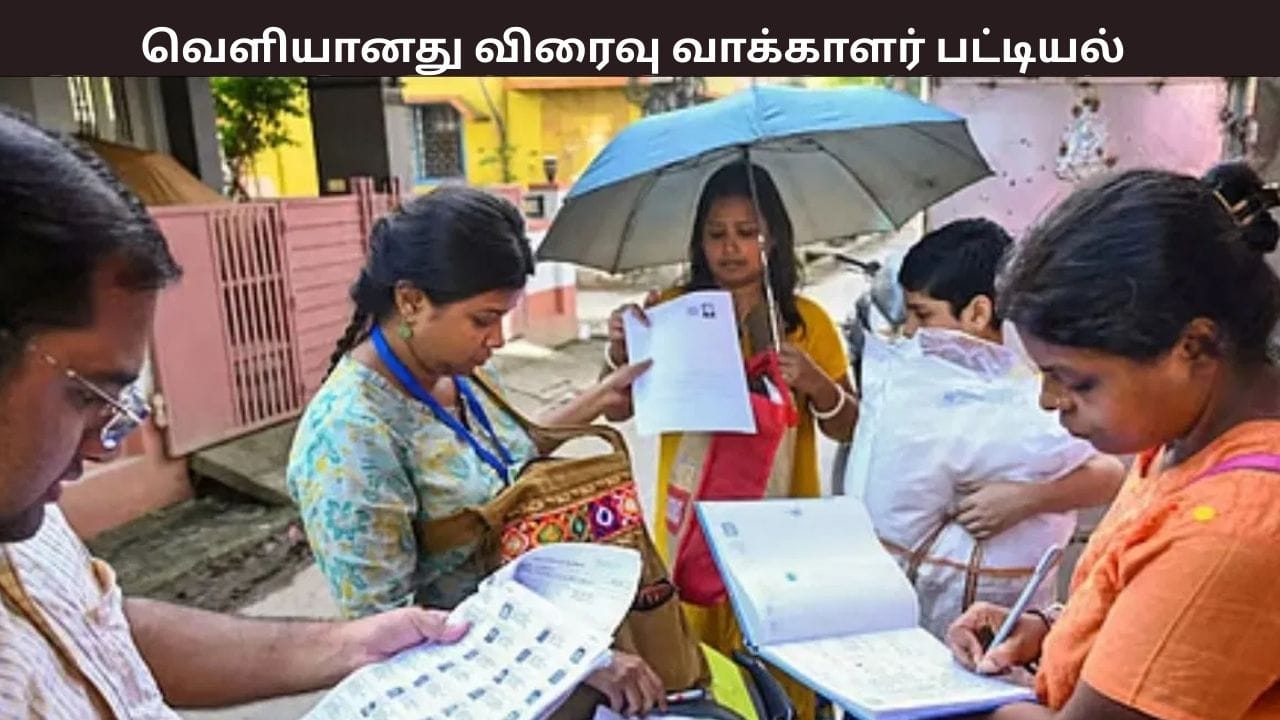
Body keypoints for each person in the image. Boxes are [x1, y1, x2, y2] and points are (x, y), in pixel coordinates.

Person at [0, 107, 470, 717]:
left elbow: (101, 629)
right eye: (88, 395)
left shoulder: (25, 516)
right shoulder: (353, 425)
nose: (103, 446)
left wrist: (352, 645)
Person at [285, 185, 668, 717]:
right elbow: (388, 635)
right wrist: (576, 659)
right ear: (411, 301)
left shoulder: (452, 373)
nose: (497, 339)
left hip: (539, 654)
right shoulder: (350, 438)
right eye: (483, 320)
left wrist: (598, 399)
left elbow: (500, 457)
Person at [946, 164, 1280, 720]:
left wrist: (953, 705)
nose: (1049, 401)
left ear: (1194, 347)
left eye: (1077, 382)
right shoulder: (1181, 440)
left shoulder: (1234, 526)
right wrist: (1051, 630)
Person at [606, 160, 857, 720]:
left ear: (775, 238)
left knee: (779, 663)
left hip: (780, 532)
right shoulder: (670, 311)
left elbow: (848, 428)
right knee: (699, 670)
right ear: (699, 242)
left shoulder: (806, 321)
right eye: (716, 233)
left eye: (748, 232)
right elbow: (620, 406)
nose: (731, 247)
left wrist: (816, 382)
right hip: (692, 530)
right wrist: (621, 350)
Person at [857, 218, 1124, 638]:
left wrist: (1026, 499)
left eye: (922, 314)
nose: (910, 331)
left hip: (1005, 627)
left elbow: (1109, 474)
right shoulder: (908, 385)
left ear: (978, 313)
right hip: (895, 615)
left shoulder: (1035, 389)